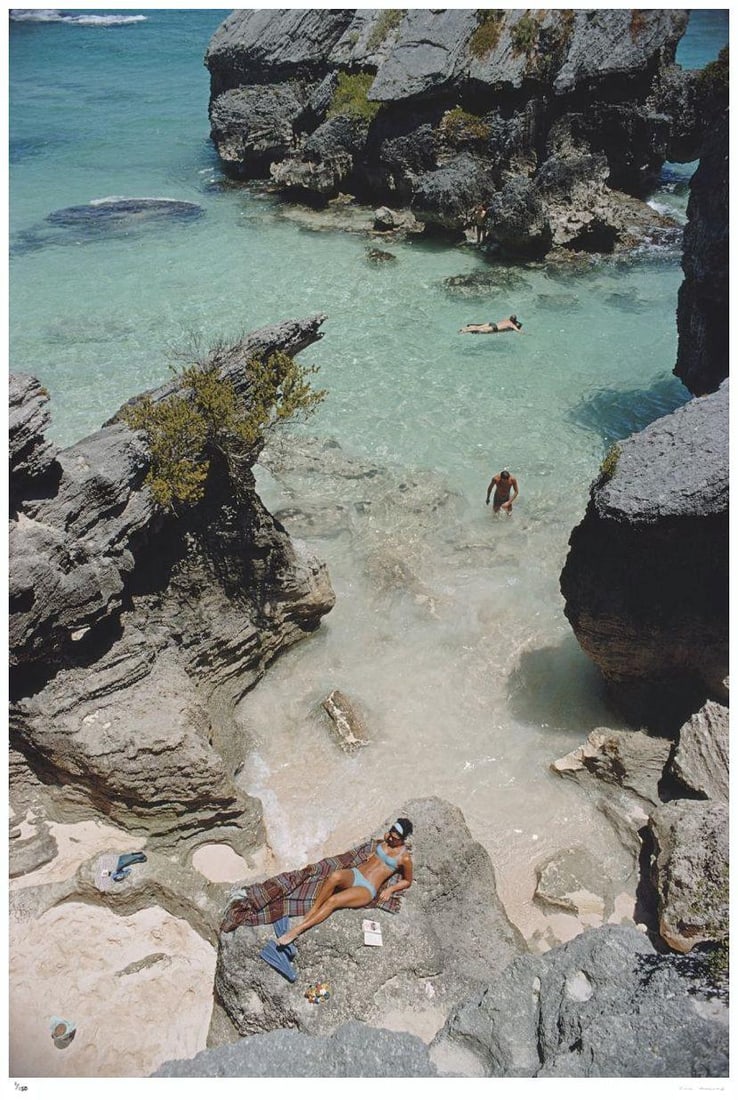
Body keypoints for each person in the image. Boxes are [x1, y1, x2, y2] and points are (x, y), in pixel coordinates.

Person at [275, 819, 414, 946]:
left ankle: (298, 930)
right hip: (356, 873)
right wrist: (373, 854)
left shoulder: (405, 858)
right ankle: (313, 910)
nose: (390, 838)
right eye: (391, 834)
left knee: (333, 900)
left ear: (403, 839)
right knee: (334, 876)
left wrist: (390, 889)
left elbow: (407, 881)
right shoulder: (386, 838)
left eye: (395, 839)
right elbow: (378, 850)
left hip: (367, 887)